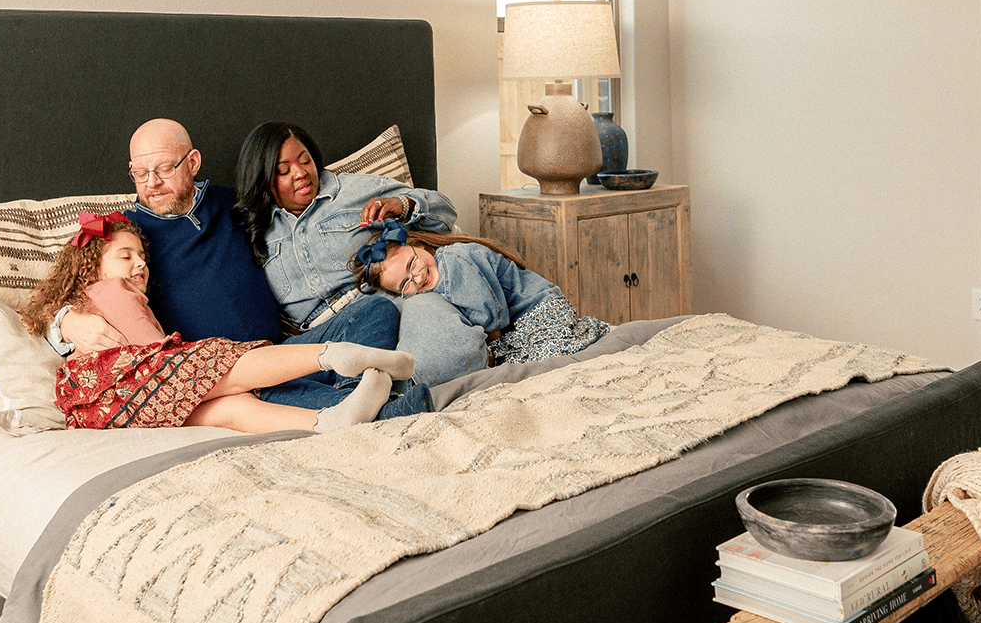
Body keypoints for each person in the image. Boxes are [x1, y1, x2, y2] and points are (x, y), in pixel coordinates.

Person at [51, 119, 428, 417]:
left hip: (284, 347)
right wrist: (65, 323)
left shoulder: (235, 203)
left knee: (375, 310)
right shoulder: (127, 235)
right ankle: (380, 409)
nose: (152, 183)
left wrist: (394, 211)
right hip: (231, 376)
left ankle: (356, 397)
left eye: (165, 168)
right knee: (275, 395)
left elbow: (303, 220)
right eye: (139, 173)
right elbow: (67, 288)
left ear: (192, 162)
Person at [22, 213, 415, 433]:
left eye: (141, 255)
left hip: (115, 412)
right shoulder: (111, 291)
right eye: (126, 256)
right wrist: (65, 320)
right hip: (132, 387)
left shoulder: (88, 302)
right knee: (221, 361)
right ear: (91, 265)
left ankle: (327, 421)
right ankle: (334, 358)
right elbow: (152, 351)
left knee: (231, 409)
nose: (140, 263)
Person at [235, 121, 488, 385]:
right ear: (263, 178)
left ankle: (386, 390)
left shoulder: (353, 191)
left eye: (305, 161)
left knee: (444, 357)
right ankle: (380, 391)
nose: (300, 173)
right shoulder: (255, 229)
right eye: (283, 171)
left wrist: (402, 206)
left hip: (389, 307)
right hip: (323, 336)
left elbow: (445, 213)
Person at [349, 220, 611, 365]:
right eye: (405, 285)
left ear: (418, 245)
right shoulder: (430, 274)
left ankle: (593, 334)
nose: (417, 278)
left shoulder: (454, 265)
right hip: (518, 323)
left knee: (529, 362)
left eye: (411, 264)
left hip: (540, 309)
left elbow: (493, 321)